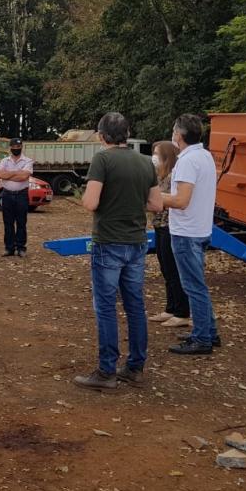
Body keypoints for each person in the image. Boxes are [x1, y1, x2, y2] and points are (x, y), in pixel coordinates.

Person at [73, 112, 162, 392]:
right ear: (127, 133)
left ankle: (106, 370)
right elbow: (157, 204)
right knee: (135, 306)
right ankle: (135, 367)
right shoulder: (145, 161)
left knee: (106, 307)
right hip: (137, 243)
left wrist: (96, 197)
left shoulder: (103, 159)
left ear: (101, 136)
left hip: (108, 242)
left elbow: (90, 202)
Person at [163, 114, 220, 355]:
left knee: (194, 286)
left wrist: (153, 199)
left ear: (179, 135)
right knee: (198, 285)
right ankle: (209, 331)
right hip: (200, 228)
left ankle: (202, 339)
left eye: (174, 132)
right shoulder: (205, 156)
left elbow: (181, 200)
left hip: (186, 232)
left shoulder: (187, 161)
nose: (173, 136)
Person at [147, 141, 191, 329]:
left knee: (173, 270)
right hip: (159, 225)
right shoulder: (158, 175)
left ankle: (182, 312)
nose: (154, 157)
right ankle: (170, 308)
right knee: (165, 269)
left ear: (167, 156)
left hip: (170, 226)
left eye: (157, 153)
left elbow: (168, 200)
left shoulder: (174, 176)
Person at [0, 138, 34, 257]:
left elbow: (24, 177)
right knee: (8, 223)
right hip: (7, 195)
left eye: (19, 147)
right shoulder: (4, 161)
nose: (16, 149)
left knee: (21, 222)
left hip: (21, 195)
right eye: (14, 147)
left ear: (21, 147)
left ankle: (21, 248)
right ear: (10, 148)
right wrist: (17, 172)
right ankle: (9, 248)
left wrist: (8, 175)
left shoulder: (28, 161)